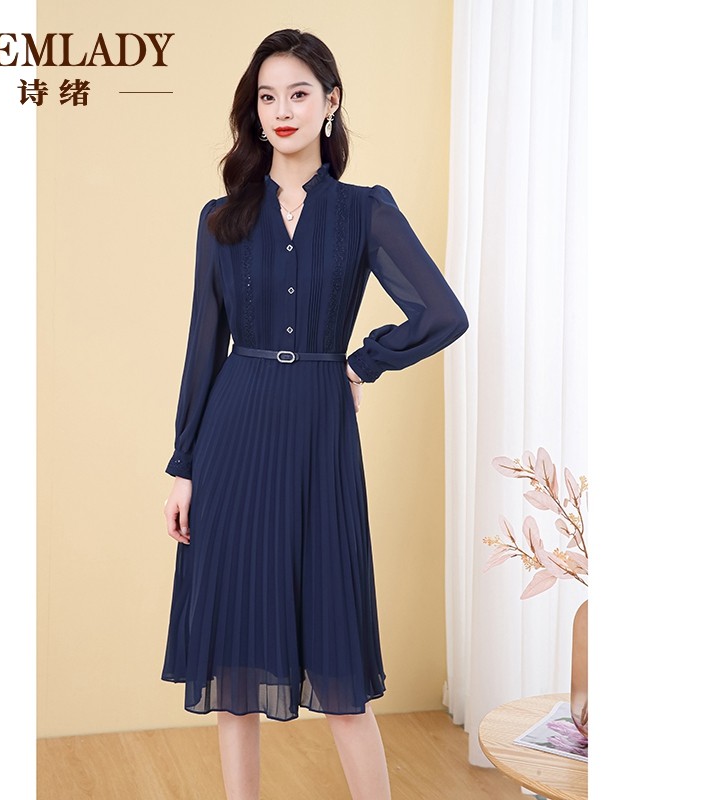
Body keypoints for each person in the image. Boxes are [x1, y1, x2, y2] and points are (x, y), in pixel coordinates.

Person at [161, 28, 468, 800]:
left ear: (330, 102)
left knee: (339, 665)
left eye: (299, 94)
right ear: (254, 111)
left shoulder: (364, 211)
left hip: (321, 437)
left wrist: (361, 363)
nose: (283, 110)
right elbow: (203, 349)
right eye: (268, 97)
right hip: (233, 436)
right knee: (235, 668)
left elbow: (441, 312)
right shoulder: (221, 219)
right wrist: (183, 467)